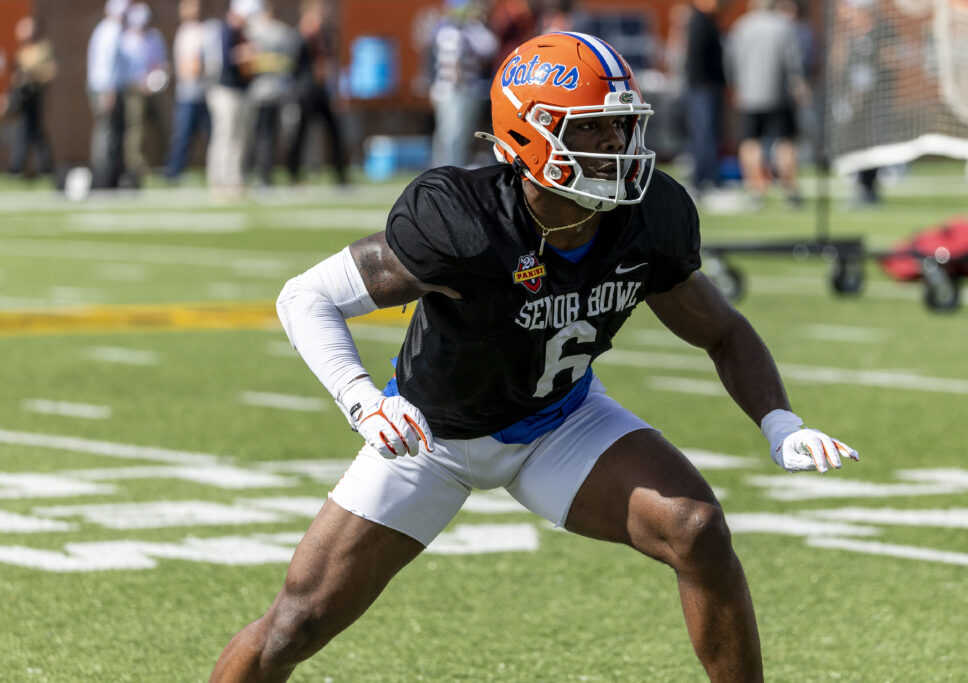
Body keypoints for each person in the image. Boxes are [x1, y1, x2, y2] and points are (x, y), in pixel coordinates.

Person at [209, 32, 858, 682]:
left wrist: (781, 421)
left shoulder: (649, 215)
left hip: (561, 422)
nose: (620, 149)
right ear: (530, 137)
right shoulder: (462, 219)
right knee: (296, 623)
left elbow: (721, 330)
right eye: (598, 131)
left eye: (624, 128)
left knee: (695, 529)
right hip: (433, 439)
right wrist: (362, 398)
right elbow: (306, 296)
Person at [725, 0, 809, 208]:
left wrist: (736, 86)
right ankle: (789, 191)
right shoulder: (783, 26)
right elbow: (793, 62)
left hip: (750, 95)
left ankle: (756, 190)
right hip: (779, 94)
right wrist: (799, 86)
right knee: (785, 141)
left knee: (750, 141)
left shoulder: (741, 26)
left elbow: (730, 61)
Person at [427, 0, 497, 168]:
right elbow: (454, 63)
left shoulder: (466, 29)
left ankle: (450, 166)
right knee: (452, 134)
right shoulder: (450, 31)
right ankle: (449, 168)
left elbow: (489, 46)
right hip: (455, 91)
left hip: (459, 90)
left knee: (456, 134)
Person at [285, 0, 348, 185]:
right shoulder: (300, 36)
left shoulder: (325, 36)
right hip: (305, 92)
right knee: (300, 134)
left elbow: (330, 65)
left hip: (321, 92)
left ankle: (340, 175)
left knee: (335, 132)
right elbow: (294, 66)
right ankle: (293, 174)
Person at [243, 2, 299, 187]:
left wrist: (261, 62)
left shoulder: (258, 32)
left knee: (265, 136)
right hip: (272, 91)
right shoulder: (276, 31)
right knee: (267, 136)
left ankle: (265, 176)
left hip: (265, 92)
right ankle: (265, 174)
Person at [206, 0, 256, 197]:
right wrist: (244, 54)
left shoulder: (243, 32)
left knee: (240, 138)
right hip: (223, 91)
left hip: (240, 90)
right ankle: (219, 180)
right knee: (225, 135)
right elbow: (223, 60)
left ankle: (235, 179)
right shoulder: (222, 30)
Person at [121, 2, 169, 185]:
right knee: (136, 129)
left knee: (160, 127)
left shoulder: (155, 37)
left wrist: (158, 80)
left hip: (155, 89)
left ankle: (163, 165)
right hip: (135, 90)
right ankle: (137, 167)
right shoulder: (126, 39)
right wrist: (139, 83)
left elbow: (162, 63)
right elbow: (125, 68)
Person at [3, 16, 57, 178]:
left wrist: (30, 74)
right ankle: (35, 166)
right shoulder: (21, 51)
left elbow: (49, 72)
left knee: (30, 132)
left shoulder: (42, 49)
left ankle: (21, 166)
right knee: (30, 132)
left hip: (34, 97)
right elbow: (15, 79)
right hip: (23, 100)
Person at [165, 0, 211, 182]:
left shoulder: (204, 29)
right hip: (188, 94)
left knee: (212, 135)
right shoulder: (186, 31)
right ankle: (173, 173)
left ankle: (216, 171)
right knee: (182, 136)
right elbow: (188, 67)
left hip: (205, 92)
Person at [683, 0, 726, 196]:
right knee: (704, 134)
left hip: (705, 87)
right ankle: (704, 178)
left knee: (707, 133)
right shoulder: (699, 21)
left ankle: (707, 176)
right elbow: (697, 58)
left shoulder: (706, 20)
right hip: (702, 88)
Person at [87, 0, 131, 189]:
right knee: (106, 133)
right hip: (106, 89)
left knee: (112, 133)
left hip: (107, 88)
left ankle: (110, 175)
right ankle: (103, 176)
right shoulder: (111, 30)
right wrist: (108, 89)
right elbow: (106, 64)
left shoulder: (108, 29)